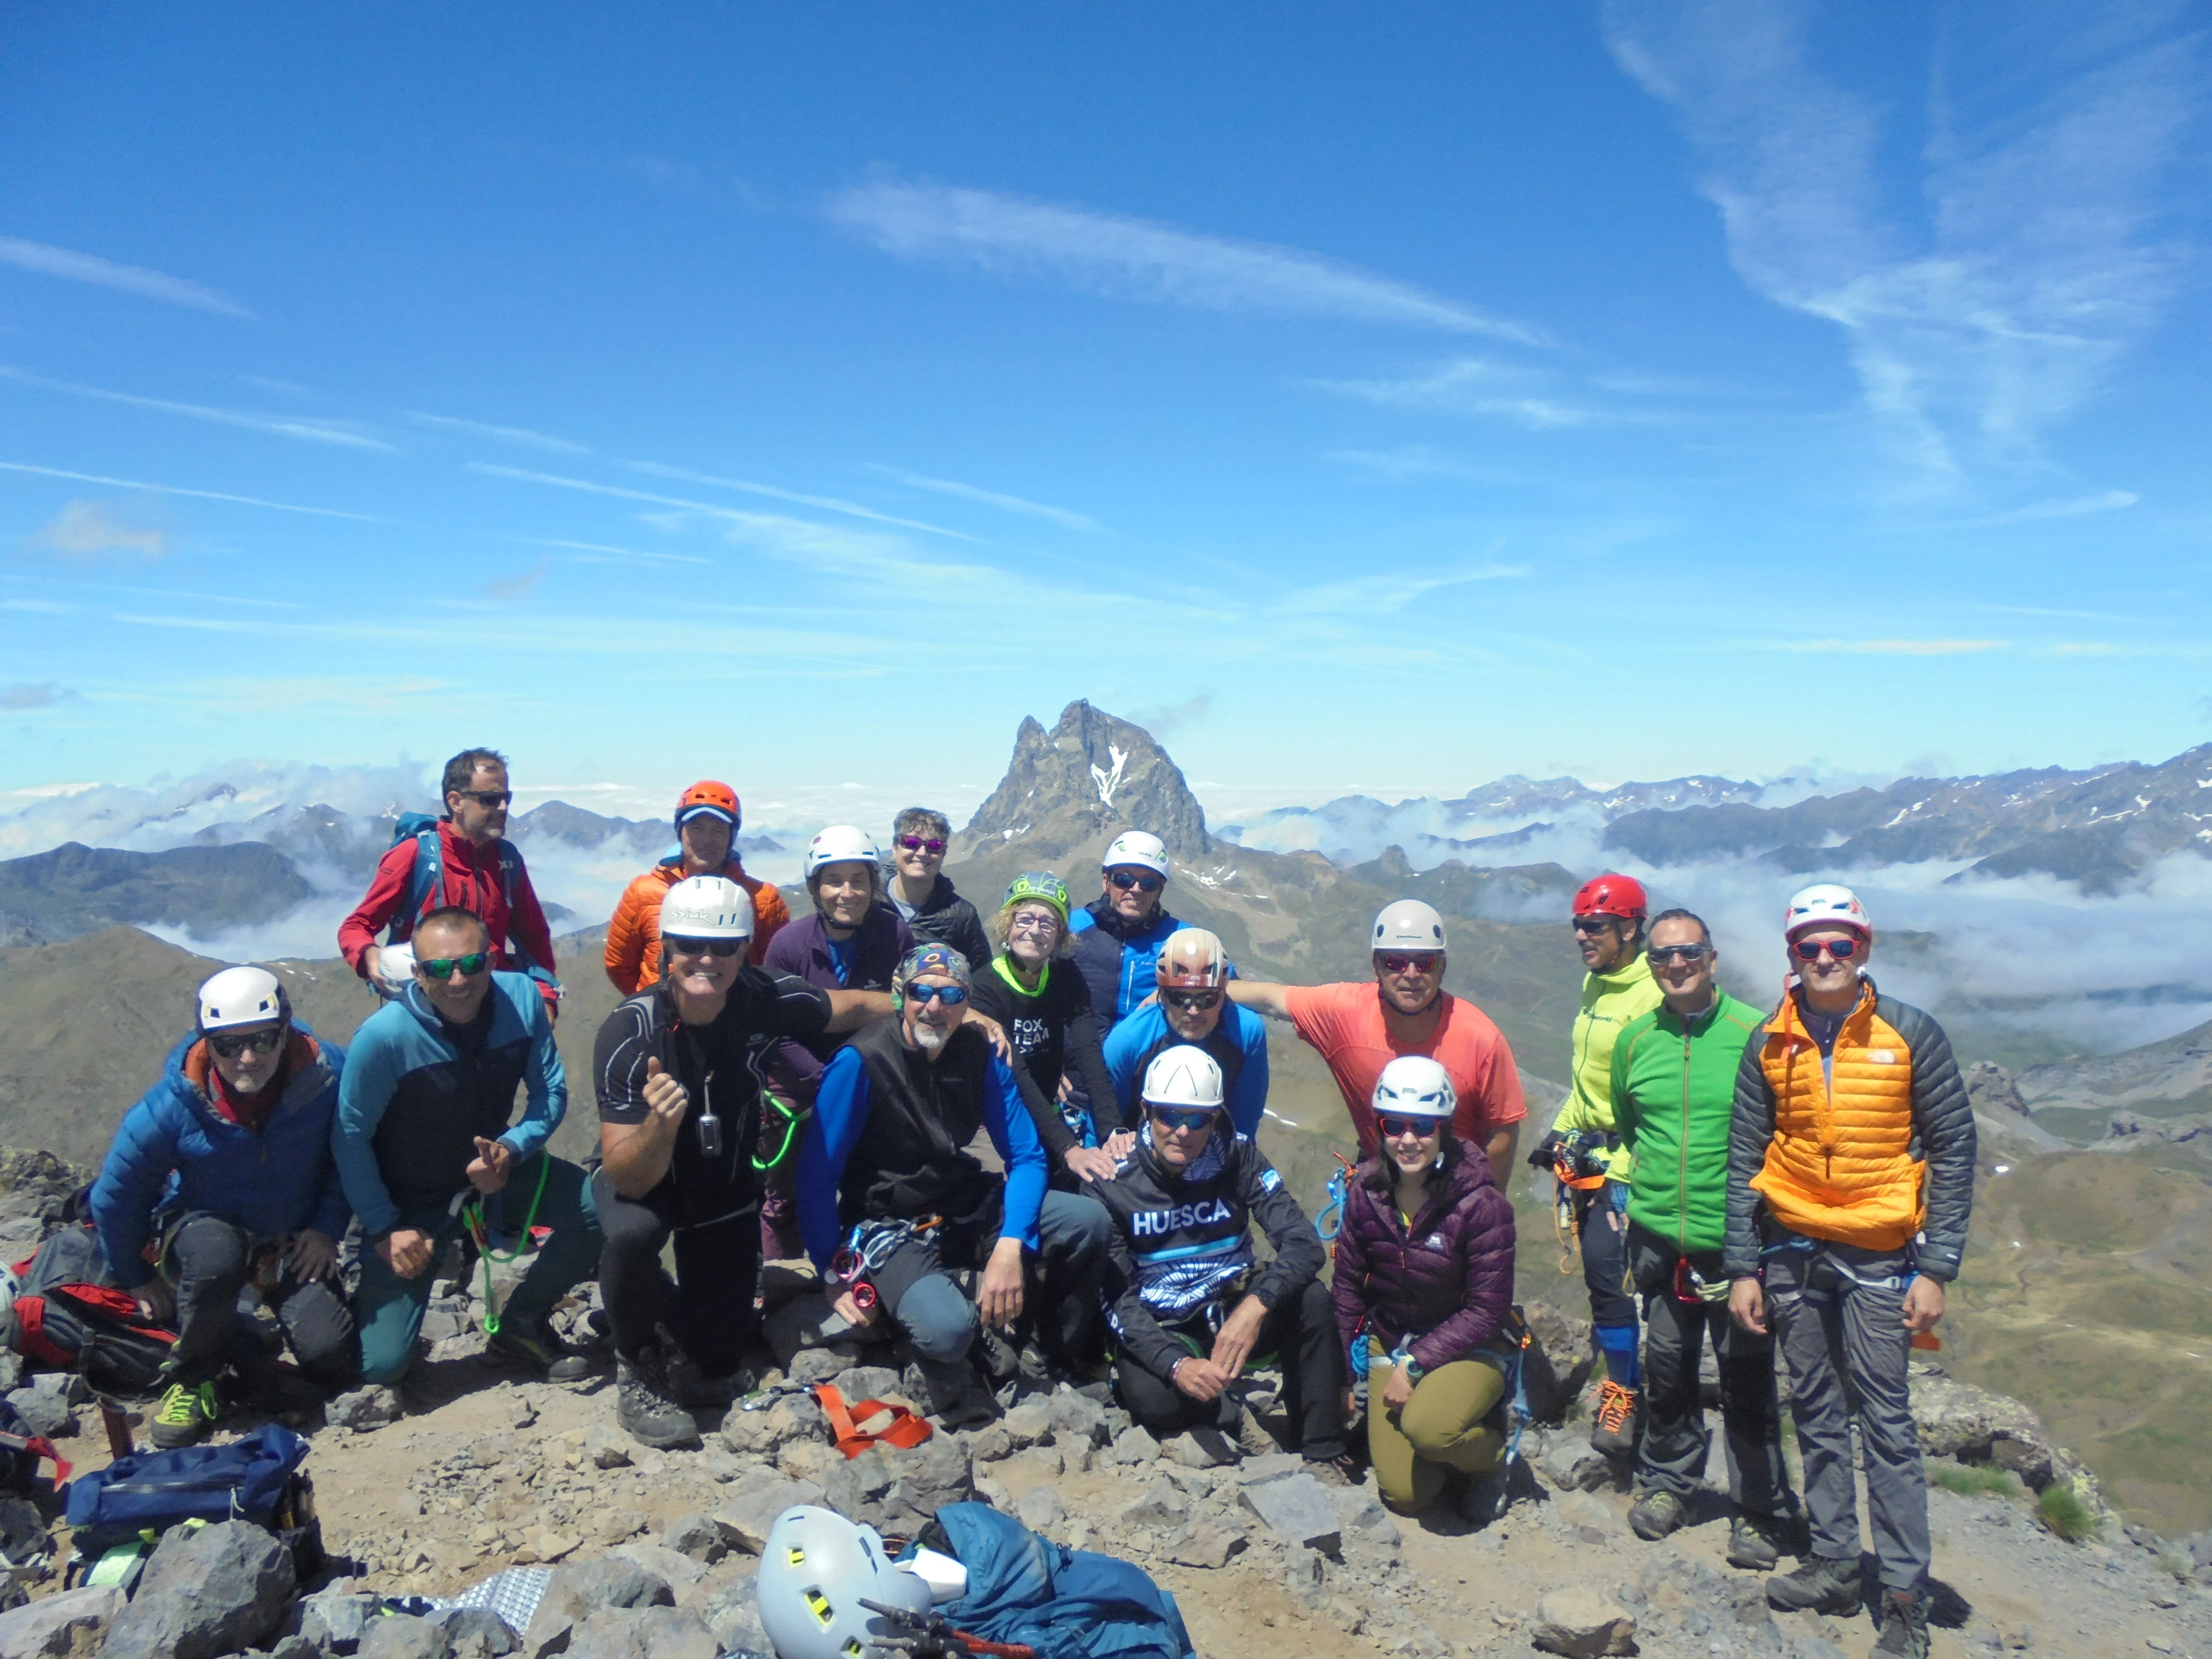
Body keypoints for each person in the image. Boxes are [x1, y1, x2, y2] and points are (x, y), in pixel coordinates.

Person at [1727, 884, 1975, 1659]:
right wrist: (1743, 1265)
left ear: (1863, 948)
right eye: (1810, 946)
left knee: (1888, 1422)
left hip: (1877, 1251)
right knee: (1818, 1411)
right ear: (1791, 954)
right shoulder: (1769, 1039)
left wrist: (1936, 1266)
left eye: (1840, 945)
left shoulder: (1909, 1032)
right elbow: (1743, 1157)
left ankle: (1903, 1596)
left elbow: (1954, 1145)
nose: (1826, 959)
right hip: (1794, 1248)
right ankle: (1835, 1561)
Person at [593, 876, 890, 1447]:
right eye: (689, 946)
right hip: (645, 1186)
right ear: (664, 950)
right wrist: (661, 1125)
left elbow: (848, 1007)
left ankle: (651, 1304)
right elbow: (625, 1173)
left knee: (719, 1359)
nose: (707, 960)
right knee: (633, 1235)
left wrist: (943, 1006)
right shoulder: (631, 1030)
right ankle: (637, 1364)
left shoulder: (763, 996)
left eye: (724, 947)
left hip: (724, 1189)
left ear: (745, 950)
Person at [796, 944, 1112, 1423]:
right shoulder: (861, 1061)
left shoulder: (980, 1054)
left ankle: (1046, 1352)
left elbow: (1026, 1157)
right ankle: (941, 1320)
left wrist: (1010, 1243)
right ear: (900, 997)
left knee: (1085, 1220)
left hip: (959, 1201)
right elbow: (817, 1176)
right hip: (887, 1222)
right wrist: (830, 1270)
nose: (934, 1006)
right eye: (921, 992)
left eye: (950, 995)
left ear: (968, 1004)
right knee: (947, 1332)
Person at [333, 906, 603, 1387]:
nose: (458, 980)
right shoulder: (384, 1039)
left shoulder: (521, 1000)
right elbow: (349, 1138)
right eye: (439, 968)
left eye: (472, 964)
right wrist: (385, 1226)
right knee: (381, 1366)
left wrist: (512, 1148)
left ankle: (521, 1324)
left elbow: (550, 1093)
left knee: (600, 1210)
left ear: (492, 960)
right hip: (410, 1204)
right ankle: (355, 1296)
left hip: (497, 1174)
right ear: (417, 974)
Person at [89, 966, 358, 1446]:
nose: (247, 1058)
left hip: (290, 1238)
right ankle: (194, 1377)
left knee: (330, 1356)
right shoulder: (175, 1105)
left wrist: (325, 1227)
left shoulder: (328, 1077)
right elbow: (117, 1195)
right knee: (216, 1256)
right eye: (228, 1045)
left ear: (286, 1030)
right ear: (207, 1044)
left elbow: (353, 1155)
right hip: (204, 1228)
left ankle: (239, 1340)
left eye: (263, 1039)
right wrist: (136, 1275)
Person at [1609, 910, 1796, 1567]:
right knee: (1668, 1371)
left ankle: (1760, 1510)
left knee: (1747, 1379)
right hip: (1660, 1241)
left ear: (1712, 959)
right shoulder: (1635, 1042)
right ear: (1651, 966)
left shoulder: (1756, 1033)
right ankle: (1669, 1485)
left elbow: (1783, 1131)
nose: (1676, 966)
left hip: (1741, 1246)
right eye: (1663, 957)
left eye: (1689, 953)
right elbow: (1634, 1129)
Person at [1093, 1045, 1347, 1473]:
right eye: (1168, 1115)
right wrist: (1175, 1366)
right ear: (1146, 1111)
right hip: (1168, 1323)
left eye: (1198, 1118)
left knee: (1312, 1301)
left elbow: (1303, 1243)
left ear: (1216, 1117)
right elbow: (1118, 1302)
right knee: (1152, 1397)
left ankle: (1321, 1448)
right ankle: (1228, 1414)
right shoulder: (1112, 1179)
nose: (1183, 1131)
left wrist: (1256, 1305)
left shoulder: (1239, 1156)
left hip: (1234, 1304)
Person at [1328, 1057, 1517, 1517]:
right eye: (1394, 1125)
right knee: (1405, 1497)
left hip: (1470, 1347)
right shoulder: (1366, 1196)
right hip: (1390, 1337)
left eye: (1423, 1126)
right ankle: (1449, 1440)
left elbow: (1487, 1309)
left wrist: (1415, 1365)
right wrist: (1340, 1374)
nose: (1408, 1139)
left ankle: (1494, 1457)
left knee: (1430, 1431)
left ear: (1443, 1129)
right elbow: (1348, 1287)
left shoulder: (1481, 1205)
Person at [1225, 900, 1527, 1179]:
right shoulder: (1345, 1012)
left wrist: (1487, 1204)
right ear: (1377, 966)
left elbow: (1502, 1131)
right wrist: (1193, 987)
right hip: (1380, 1190)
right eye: (1396, 962)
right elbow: (1272, 1000)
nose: (1411, 974)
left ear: (1442, 967)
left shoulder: (1482, 1040)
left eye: (1425, 963)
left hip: (1457, 1196)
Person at [1529, 872, 1663, 1457]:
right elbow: (1588, 1080)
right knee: (1602, 1284)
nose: (1583, 935)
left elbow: (1659, 1096)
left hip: (1628, 1166)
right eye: (1579, 925)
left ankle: (1626, 1396)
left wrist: (1628, 1173)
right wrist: (1560, 1131)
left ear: (1630, 929)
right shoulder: (1595, 982)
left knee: (1616, 1281)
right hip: (1590, 1157)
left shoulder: (1654, 994)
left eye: (1596, 926)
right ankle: (1624, 1387)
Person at [760, 826, 915, 1253]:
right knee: (785, 1197)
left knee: (875, 1183)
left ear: (872, 885)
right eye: (834, 880)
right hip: (799, 1083)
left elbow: (905, 1007)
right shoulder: (788, 945)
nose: (847, 892)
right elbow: (774, 1032)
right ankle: (784, 1291)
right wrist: (826, 1083)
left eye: (858, 880)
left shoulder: (893, 934)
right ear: (815, 887)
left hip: (875, 1077)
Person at [339, 747, 562, 1015]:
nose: (503, 808)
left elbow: (534, 937)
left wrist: (546, 997)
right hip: (424, 1010)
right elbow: (357, 925)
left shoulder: (508, 860)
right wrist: (368, 955)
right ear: (456, 802)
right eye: (490, 799)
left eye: (506, 797)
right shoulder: (413, 855)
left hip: (493, 1009)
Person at [964, 872, 1123, 1189]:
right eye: (1024, 919)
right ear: (1008, 924)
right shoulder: (984, 987)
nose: (1034, 930)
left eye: (1047, 923)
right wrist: (1069, 1149)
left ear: (1060, 935)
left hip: (1046, 1112)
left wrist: (1113, 1129)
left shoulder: (1065, 975)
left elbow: (1088, 1051)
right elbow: (1016, 1073)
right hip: (994, 1117)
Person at [604, 780, 790, 994]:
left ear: (732, 837)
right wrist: (651, 1003)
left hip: (737, 1022)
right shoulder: (643, 893)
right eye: (696, 828)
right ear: (680, 832)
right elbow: (618, 966)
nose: (706, 840)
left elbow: (776, 969)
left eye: (718, 831)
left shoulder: (763, 900)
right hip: (663, 1021)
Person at [1101, 928, 1269, 1141]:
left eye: (1207, 999)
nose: (1194, 1011)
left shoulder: (1247, 1033)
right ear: (1161, 995)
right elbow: (1104, 1122)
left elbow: (1245, 1121)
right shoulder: (1128, 1040)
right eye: (1180, 998)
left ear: (1224, 995)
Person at [1066, 832, 1183, 1033]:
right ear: (1106, 882)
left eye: (1149, 884)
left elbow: (1230, 988)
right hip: (1075, 1057)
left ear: (1160, 890)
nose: (1136, 890)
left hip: (1146, 1057)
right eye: (1124, 880)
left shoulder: (1182, 940)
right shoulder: (1070, 927)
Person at [884, 808, 991, 974]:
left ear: (944, 853)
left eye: (934, 846)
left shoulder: (962, 916)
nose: (922, 853)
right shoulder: (871, 900)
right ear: (894, 848)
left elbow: (982, 978)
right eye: (911, 843)